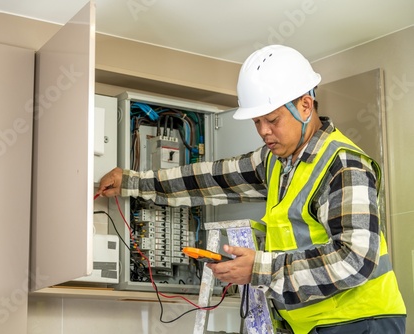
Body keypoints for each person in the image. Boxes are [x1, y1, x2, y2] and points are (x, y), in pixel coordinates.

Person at [96, 45, 406, 334]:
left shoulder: (343, 165)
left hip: (361, 322)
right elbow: (210, 178)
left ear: (305, 106)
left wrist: (260, 268)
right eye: (257, 122)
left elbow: (354, 259)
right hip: (314, 325)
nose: (264, 132)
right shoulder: (276, 162)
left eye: (272, 120)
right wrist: (134, 182)